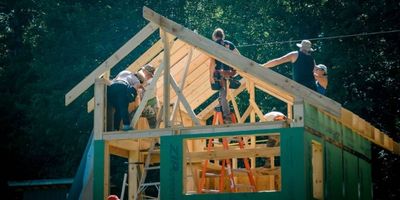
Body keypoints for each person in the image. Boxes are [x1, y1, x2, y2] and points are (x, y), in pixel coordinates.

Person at [209, 28, 240, 123]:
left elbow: (212, 63)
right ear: (223, 36)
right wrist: (235, 70)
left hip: (220, 74)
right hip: (229, 73)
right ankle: (223, 109)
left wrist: (211, 77)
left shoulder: (213, 45)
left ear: (214, 36)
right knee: (222, 94)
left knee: (222, 94)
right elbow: (239, 56)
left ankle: (227, 116)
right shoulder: (229, 44)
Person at [137, 64, 158, 128]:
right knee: (153, 125)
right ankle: (155, 136)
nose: (143, 72)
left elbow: (147, 94)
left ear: (147, 73)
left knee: (132, 115)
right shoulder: (150, 81)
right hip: (151, 105)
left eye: (144, 71)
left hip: (150, 106)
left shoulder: (150, 82)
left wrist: (141, 88)